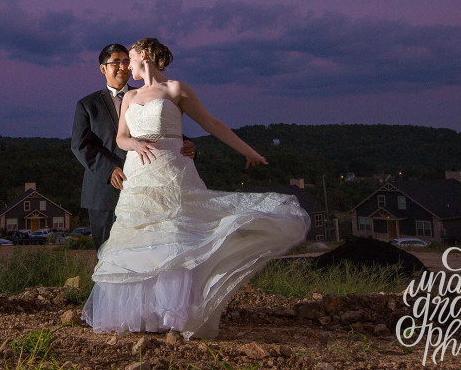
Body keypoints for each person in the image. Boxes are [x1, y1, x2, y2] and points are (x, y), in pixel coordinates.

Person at [82, 37, 310, 339]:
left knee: (175, 239)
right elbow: (121, 137)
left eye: (132, 59)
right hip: (139, 175)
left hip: (173, 174)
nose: (127, 66)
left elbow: (213, 124)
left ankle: (175, 313)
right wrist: (133, 143)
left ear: (145, 57)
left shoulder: (176, 90)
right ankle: (140, 313)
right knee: (140, 242)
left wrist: (247, 150)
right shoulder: (130, 97)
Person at [71, 43, 196, 250]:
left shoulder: (147, 94)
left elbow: (160, 128)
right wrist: (109, 170)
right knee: (107, 253)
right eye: (116, 62)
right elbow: (80, 145)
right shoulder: (87, 104)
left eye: (126, 61)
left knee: (148, 249)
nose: (123, 66)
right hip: (104, 192)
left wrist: (188, 143)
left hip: (146, 184)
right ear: (103, 68)